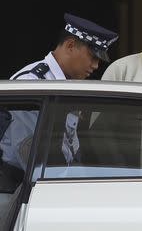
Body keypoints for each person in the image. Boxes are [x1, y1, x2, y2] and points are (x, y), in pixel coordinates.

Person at [0, 13, 118, 183]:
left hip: (54, 184)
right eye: (93, 57)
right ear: (70, 45)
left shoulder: (66, 85)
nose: (95, 65)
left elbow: (71, 148)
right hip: (21, 190)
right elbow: (29, 153)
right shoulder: (33, 82)